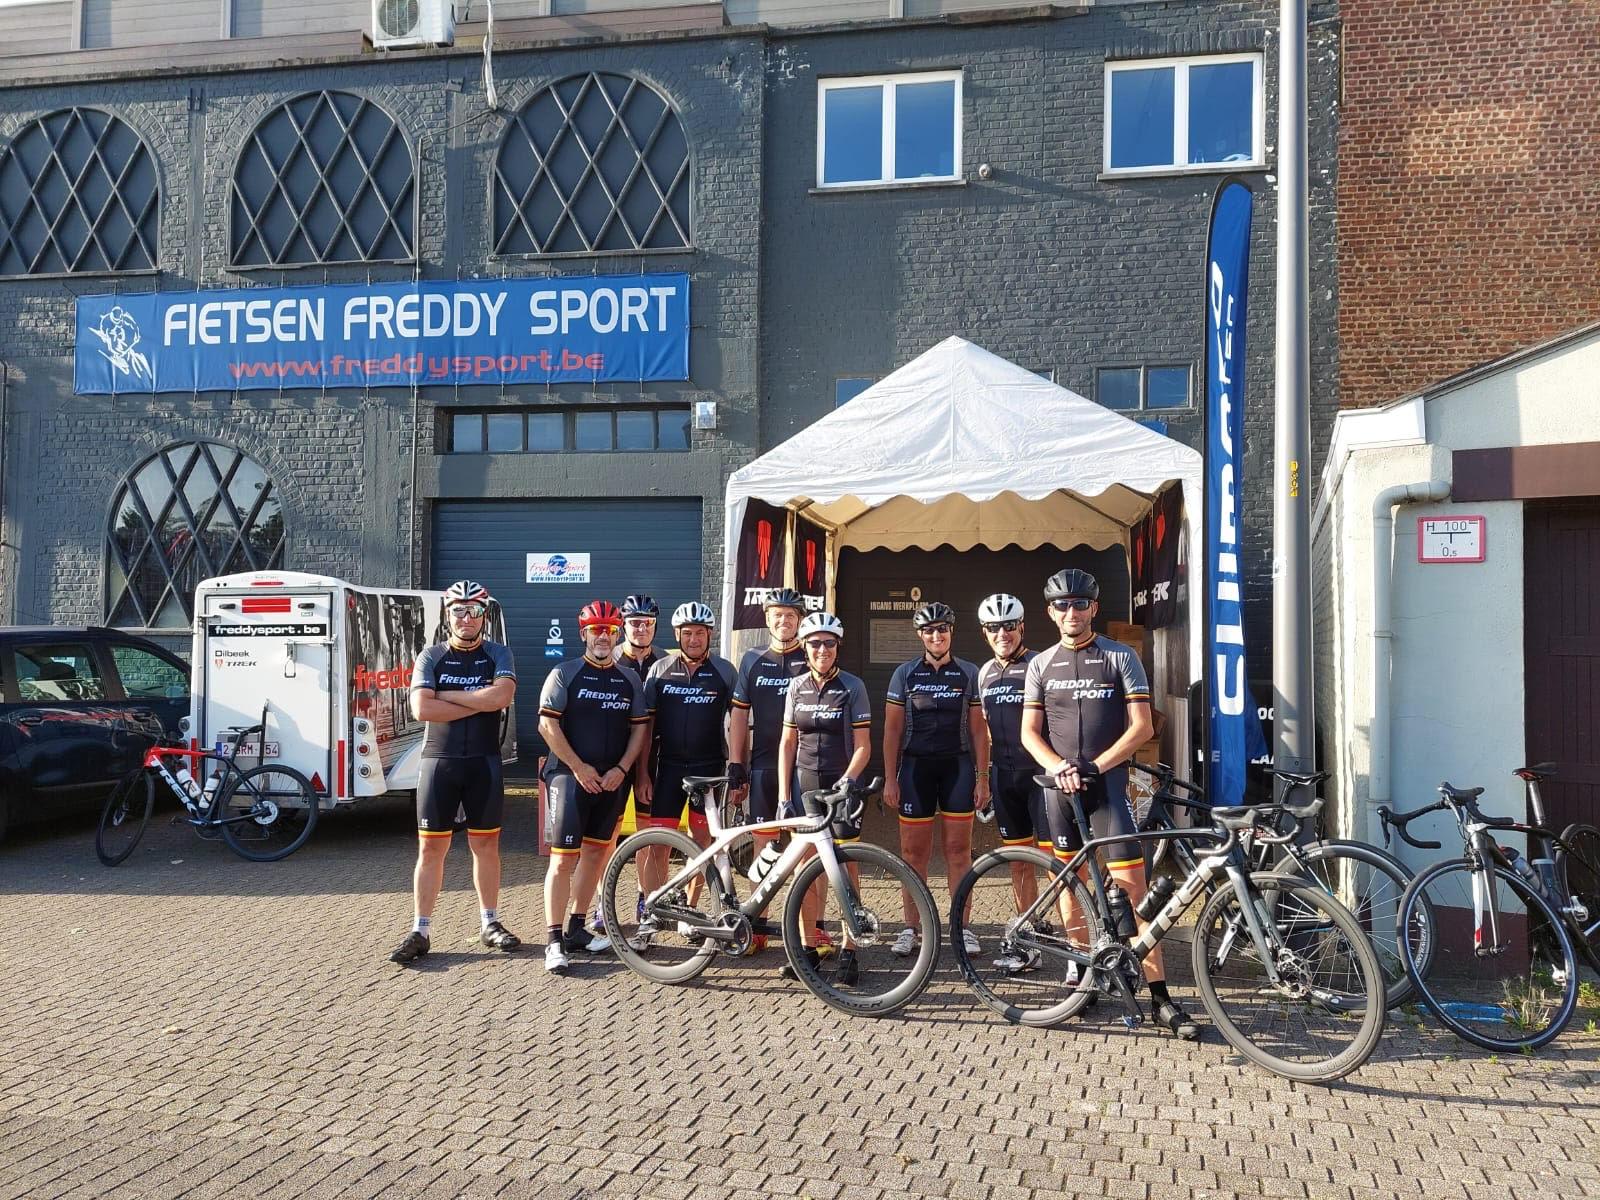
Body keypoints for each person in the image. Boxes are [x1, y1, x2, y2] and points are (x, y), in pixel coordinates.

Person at [1020, 568, 1197, 1038]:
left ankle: (1160, 996)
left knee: (1135, 891)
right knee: (1070, 886)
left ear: (1094, 608)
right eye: (1062, 605)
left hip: (1106, 789)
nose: (1071, 612)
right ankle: (1084, 977)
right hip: (1060, 791)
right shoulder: (1041, 665)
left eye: (1080, 603)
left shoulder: (1120, 656)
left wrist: (1096, 767)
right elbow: (1029, 733)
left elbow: (1142, 726)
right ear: (1050, 612)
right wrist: (1059, 767)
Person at [389, 580, 519, 965]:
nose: (466, 618)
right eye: (458, 610)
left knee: (486, 846)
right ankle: (420, 930)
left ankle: (490, 923)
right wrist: (479, 701)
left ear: (484, 616)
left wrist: (444, 695)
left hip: (483, 763)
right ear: (448, 615)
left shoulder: (498, 653)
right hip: (439, 763)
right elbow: (421, 710)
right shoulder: (431, 656)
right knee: (431, 849)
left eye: (473, 610)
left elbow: (502, 697)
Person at [538, 599, 648, 975]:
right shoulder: (564, 672)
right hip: (569, 776)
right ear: (584, 633)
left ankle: (576, 928)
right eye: (596, 630)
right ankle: (553, 940)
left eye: (609, 630)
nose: (603, 636)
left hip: (611, 778)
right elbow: (547, 726)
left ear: (617, 635)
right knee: (562, 859)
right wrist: (578, 766)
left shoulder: (629, 679)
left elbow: (639, 730)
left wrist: (623, 768)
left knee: (596, 855)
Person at [881, 601, 987, 958]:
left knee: (958, 852)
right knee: (913, 854)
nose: (936, 635)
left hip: (957, 768)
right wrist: (890, 778)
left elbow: (978, 731)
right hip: (915, 770)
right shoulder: (905, 674)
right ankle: (911, 928)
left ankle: (962, 927)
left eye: (942, 629)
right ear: (920, 635)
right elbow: (892, 731)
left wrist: (983, 777)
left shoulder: (968, 672)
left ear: (951, 632)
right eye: (929, 630)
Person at [777, 611, 871, 983]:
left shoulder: (852, 686)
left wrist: (847, 781)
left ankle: (850, 949)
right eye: (815, 643)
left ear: (837, 646)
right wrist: (783, 794)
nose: (822, 650)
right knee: (806, 868)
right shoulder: (796, 686)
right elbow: (788, 742)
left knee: (846, 868)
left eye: (829, 643)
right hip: (805, 786)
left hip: (841, 787)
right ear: (804, 646)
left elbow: (863, 746)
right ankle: (809, 948)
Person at [632, 602, 736, 932]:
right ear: (677, 635)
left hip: (709, 769)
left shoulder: (724, 672)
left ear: (710, 635)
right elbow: (646, 728)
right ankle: (654, 908)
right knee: (657, 844)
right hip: (669, 768)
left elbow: (739, 722)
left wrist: (738, 767)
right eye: (687, 633)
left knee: (701, 843)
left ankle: (689, 911)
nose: (694, 639)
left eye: (700, 633)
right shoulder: (660, 670)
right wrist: (643, 773)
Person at [973, 592, 1053, 971]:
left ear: (1022, 626)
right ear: (984, 632)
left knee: (1057, 862)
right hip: (1005, 777)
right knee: (1020, 862)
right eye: (994, 627)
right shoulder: (984, 672)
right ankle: (1029, 934)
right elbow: (986, 729)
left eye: (1008, 625)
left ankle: (1074, 939)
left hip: (1041, 778)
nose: (1002, 633)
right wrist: (984, 778)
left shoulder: (1040, 663)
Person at [727, 587, 809, 948]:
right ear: (767, 618)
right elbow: (739, 716)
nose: (784, 620)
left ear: (800, 620)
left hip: (805, 766)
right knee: (763, 848)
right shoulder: (752, 659)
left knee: (806, 849)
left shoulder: (812, 654)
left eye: (790, 615)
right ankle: (757, 925)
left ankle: (811, 929)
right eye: (778, 614)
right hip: (763, 765)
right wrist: (736, 765)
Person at [583, 593, 664, 948]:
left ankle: (647, 902)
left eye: (647, 623)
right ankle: (603, 902)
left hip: (651, 762)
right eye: (634, 622)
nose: (640, 628)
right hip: (612, 762)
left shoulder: (666, 662)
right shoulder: (608, 658)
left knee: (647, 837)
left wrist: (644, 772)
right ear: (623, 626)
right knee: (606, 837)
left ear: (655, 627)